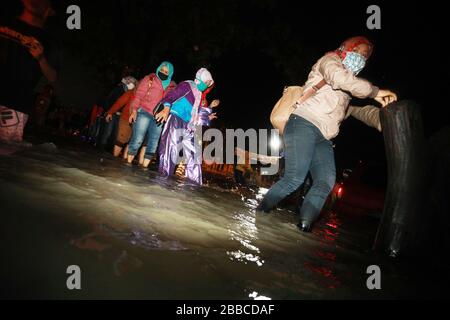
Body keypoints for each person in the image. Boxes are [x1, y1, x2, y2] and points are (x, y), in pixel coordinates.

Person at [256, 36, 397, 233]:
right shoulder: (329, 62)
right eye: (359, 52)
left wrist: (389, 120)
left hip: (324, 138)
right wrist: (375, 92)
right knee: (295, 178)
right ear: (346, 49)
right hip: (303, 123)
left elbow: (362, 111)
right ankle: (260, 213)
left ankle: (303, 229)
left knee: (325, 182)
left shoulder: (347, 93)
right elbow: (339, 79)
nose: (362, 58)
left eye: (366, 56)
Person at [0, 0, 58, 144]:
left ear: (49, 10)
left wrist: (41, 58)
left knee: (5, 154)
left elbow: (52, 76)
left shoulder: (48, 40)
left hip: (13, 103)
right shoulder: (5, 21)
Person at [156, 67, 216, 185]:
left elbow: (196, 116)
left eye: (209, 84)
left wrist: (207, 116)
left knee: (194, 155)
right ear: (202, 79)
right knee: (170, 150)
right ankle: (162, 182)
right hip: (176, 119)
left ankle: (193, 186)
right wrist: (167, 107)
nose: (208, 85)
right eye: (207, 82)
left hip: (189, 126)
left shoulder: (199, 95)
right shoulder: (187, 85)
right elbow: (171, 96)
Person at [127, 62, 176, 168]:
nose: (163, 73)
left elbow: (172, 101)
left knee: (153, 143)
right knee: (137, 139)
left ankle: (144, 169)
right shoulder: (150, 78)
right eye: (162, 70)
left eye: (166, 72)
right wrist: (134, 110)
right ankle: (127, 164)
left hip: (158, 117)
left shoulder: (172, 86)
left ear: (170, 73)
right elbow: (138, 95)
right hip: (144, 112)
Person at [97, 76, 137, 150]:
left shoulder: (132, 92)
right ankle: (101, 148)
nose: (132, 85)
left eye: (134, 83)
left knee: (116, 134)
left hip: (122, 116)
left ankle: (109, 149)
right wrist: (109, 111)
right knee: (108, 131)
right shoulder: (119, 89)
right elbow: (111, 100)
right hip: (113, 113)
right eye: (131, 83)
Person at [105, 83, 137, 158]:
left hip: (137, 122)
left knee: (131, 141)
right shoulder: (132, 92)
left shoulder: (148, 95)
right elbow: (120, 102)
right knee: (121, 139)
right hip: (126, 118)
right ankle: (114, 158)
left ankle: (124, 160)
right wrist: (110, 112)